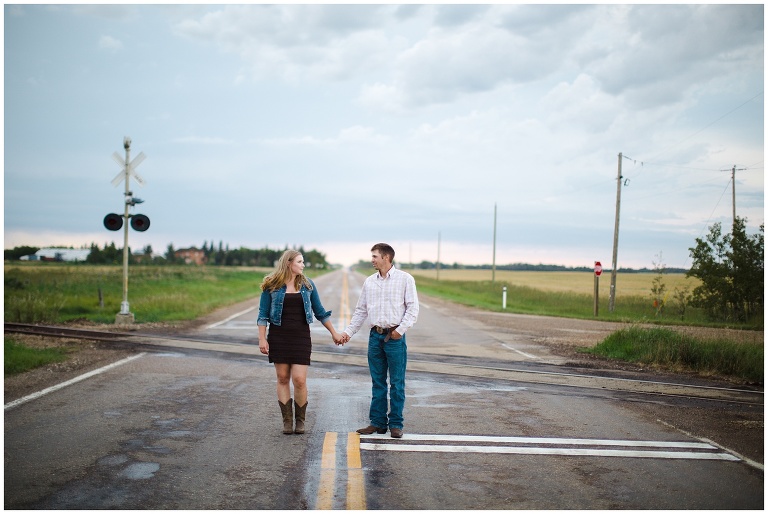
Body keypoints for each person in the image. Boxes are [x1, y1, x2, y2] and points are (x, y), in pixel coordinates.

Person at [258, 250, 344, 435]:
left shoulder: (307, 285)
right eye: (300, 261)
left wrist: (334, 333)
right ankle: (287, 421)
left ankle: (300, 420)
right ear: (289, 263)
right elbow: (262, 315)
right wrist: (262, 339)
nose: (303, 265)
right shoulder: (272, 285)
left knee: (299, 379)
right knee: (282, 378)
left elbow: (320, 312)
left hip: (300, 337)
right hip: (278, 336)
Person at [339, 243, 419, 439]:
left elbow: (412, 309)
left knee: (397, 383)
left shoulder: (405, 279)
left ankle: (396, 425)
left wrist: (399, 331)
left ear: (386, 257)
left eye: (375, 256)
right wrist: (348, 333)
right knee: (378, 382)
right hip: (375, 336)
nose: (372, 259)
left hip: (394, 337)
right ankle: (378, 423)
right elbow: (361, 311)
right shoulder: (369, 282)